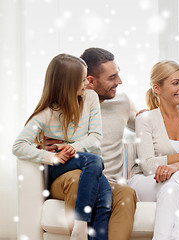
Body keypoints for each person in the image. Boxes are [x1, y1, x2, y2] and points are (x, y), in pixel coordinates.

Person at [12, 54, 112, 240]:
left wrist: (73, 147)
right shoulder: (46, 114)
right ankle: (80, 223)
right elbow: (18, 146)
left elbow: (96, 137)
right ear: (67, 84)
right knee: (95, 160)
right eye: (82, 79)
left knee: (104, 200)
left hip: (85, 162)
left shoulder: (90, 98)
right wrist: (52, 157)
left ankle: (83, 233)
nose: (87, 83)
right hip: (63, 165)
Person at [44, 48, 138, 240]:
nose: (119, 82)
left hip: (106, 181)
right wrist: (41, 146)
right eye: (112, 77)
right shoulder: (64, 103)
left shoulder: (123, 102)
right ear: (91, 81)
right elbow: (35, 129)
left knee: (126, 194)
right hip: (69, 178)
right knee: (78, 180)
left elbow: (147, 127)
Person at [128, 60, 179, 240]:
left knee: (174, 187)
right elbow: (148, 167)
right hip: (145, 181)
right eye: (175, 83)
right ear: (157, 88)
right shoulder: (146, 119)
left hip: (174, 180)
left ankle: (176, 233)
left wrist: (175, 167)